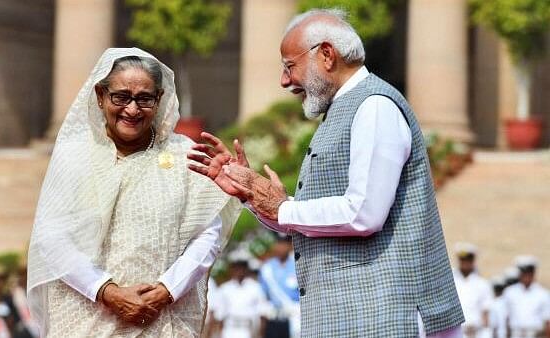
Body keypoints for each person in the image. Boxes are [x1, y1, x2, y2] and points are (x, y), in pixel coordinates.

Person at [188, 8, 464, 338]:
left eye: (290, 66)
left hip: (386, 315)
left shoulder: (374, 107)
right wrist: (250, 192)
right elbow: (311, 221)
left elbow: (363, 213)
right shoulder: (344, 110)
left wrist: (283, 208)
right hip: (355, 317)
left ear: (327, 55)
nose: (284, 81)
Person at [27, 48, 240, 337]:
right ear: (101, 96)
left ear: (160, 99)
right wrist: (106, 291)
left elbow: (208, 233)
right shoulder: (75, 156)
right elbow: (51, 238)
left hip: (161, 316)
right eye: (121, 97)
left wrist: (167, 289)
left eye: (144, 98)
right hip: (84, 315)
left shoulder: (184, 155)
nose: (132, 109)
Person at [215, 253, 268, 338]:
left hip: (248, 329)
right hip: (229, 329)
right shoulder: (224, 289)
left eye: (242, 267)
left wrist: (260, 334)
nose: (239, 270)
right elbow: (220, 316)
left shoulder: (255, 288)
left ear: (247, 268)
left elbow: (263, 313)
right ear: (232, 269)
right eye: (236, 267)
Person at [258, 235, 300, 338]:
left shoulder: (297, 266)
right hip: (274, 319)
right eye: (278, 243)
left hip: (295, 319)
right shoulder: (266, 268)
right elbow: (263, 296)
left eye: (284, 243)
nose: (280, 247)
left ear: (290, 245)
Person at [452, 243, 493, 338]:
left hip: (475, 333)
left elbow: (485, 311)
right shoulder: (451, 282)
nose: (465, 263)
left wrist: (487, 333)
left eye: (468, 260)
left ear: (473, 261)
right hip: (455, 332)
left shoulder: (482, 284)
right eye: (463, 260)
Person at [503, 256, 550, 338]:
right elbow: (506, 317)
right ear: (520, 274)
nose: (526, 277)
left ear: (533, 274)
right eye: (524, 273)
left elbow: (547, 320)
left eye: (529, 273)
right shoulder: (510, 292)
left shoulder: (542, 294)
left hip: (535, 333)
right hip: (515, 333)